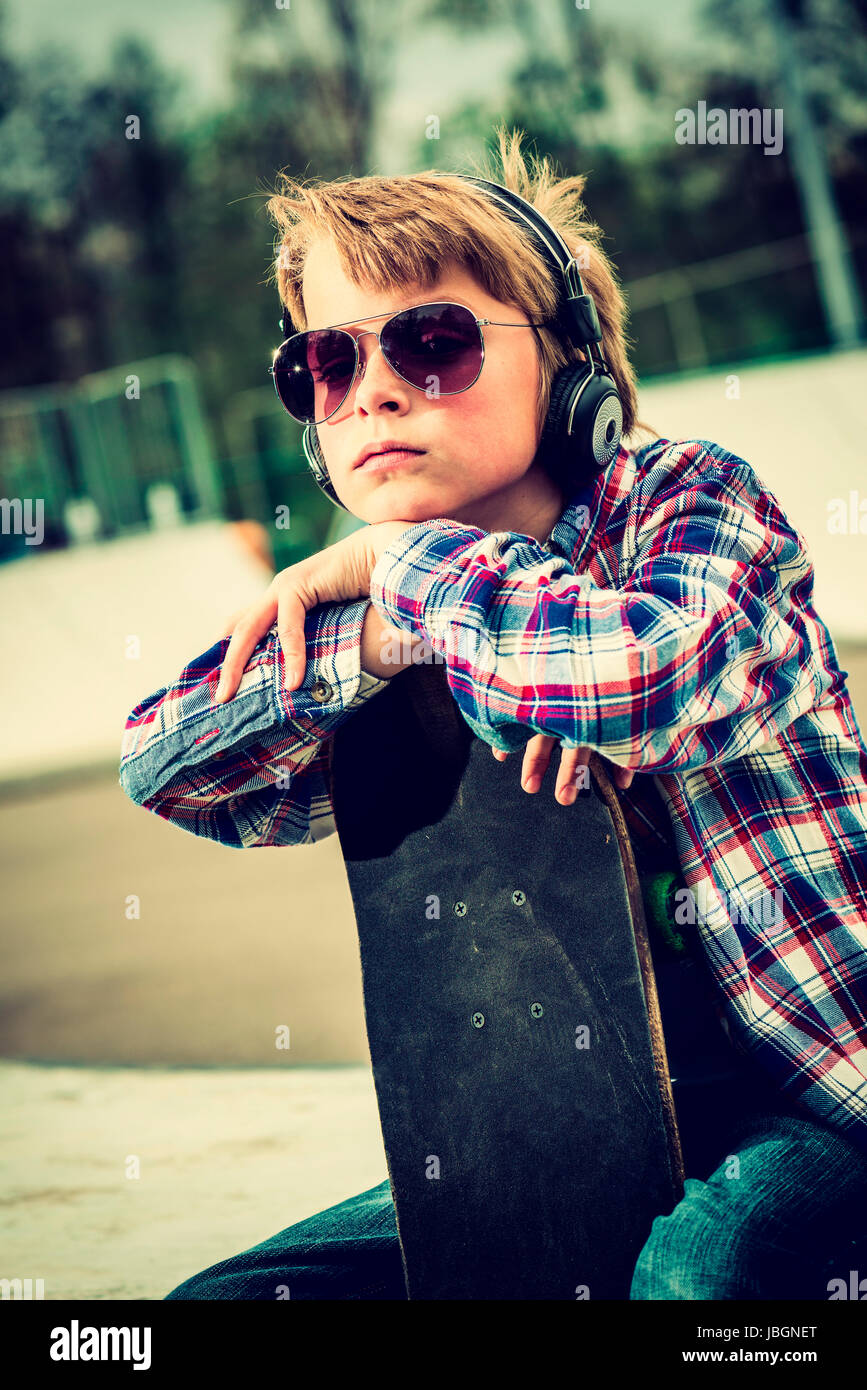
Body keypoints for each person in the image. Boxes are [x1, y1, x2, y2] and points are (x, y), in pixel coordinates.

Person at [119, 127, 867, 1300]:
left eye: (433, 342)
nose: (371, 391)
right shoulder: (382, 611)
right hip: (575, 1133)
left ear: (573, 372)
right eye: (326, 361)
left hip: (821, 1093)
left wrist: (411, 565)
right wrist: (375, 637)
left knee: (698, 1284)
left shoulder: (692, 502)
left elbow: (637, 677)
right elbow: (167, 759)